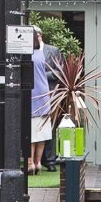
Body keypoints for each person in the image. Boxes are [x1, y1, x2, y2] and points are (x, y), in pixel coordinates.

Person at [33, 25, 64, 172]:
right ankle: (35, 161)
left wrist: (40, 76)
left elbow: (59, 72)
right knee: (34, 127)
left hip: (51, 93)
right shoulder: (28, 51)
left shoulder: (53, 50)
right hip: (32, 94)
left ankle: (50, 160)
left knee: (48, 127)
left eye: (37, 34)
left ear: (40, 35)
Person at [29, 32, 52, 174]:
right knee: (42, 132)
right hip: (44, 94)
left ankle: (30, 162)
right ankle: (38, 162)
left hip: (32, 94)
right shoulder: (40, 54)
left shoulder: (27, 56)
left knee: (30, 133)